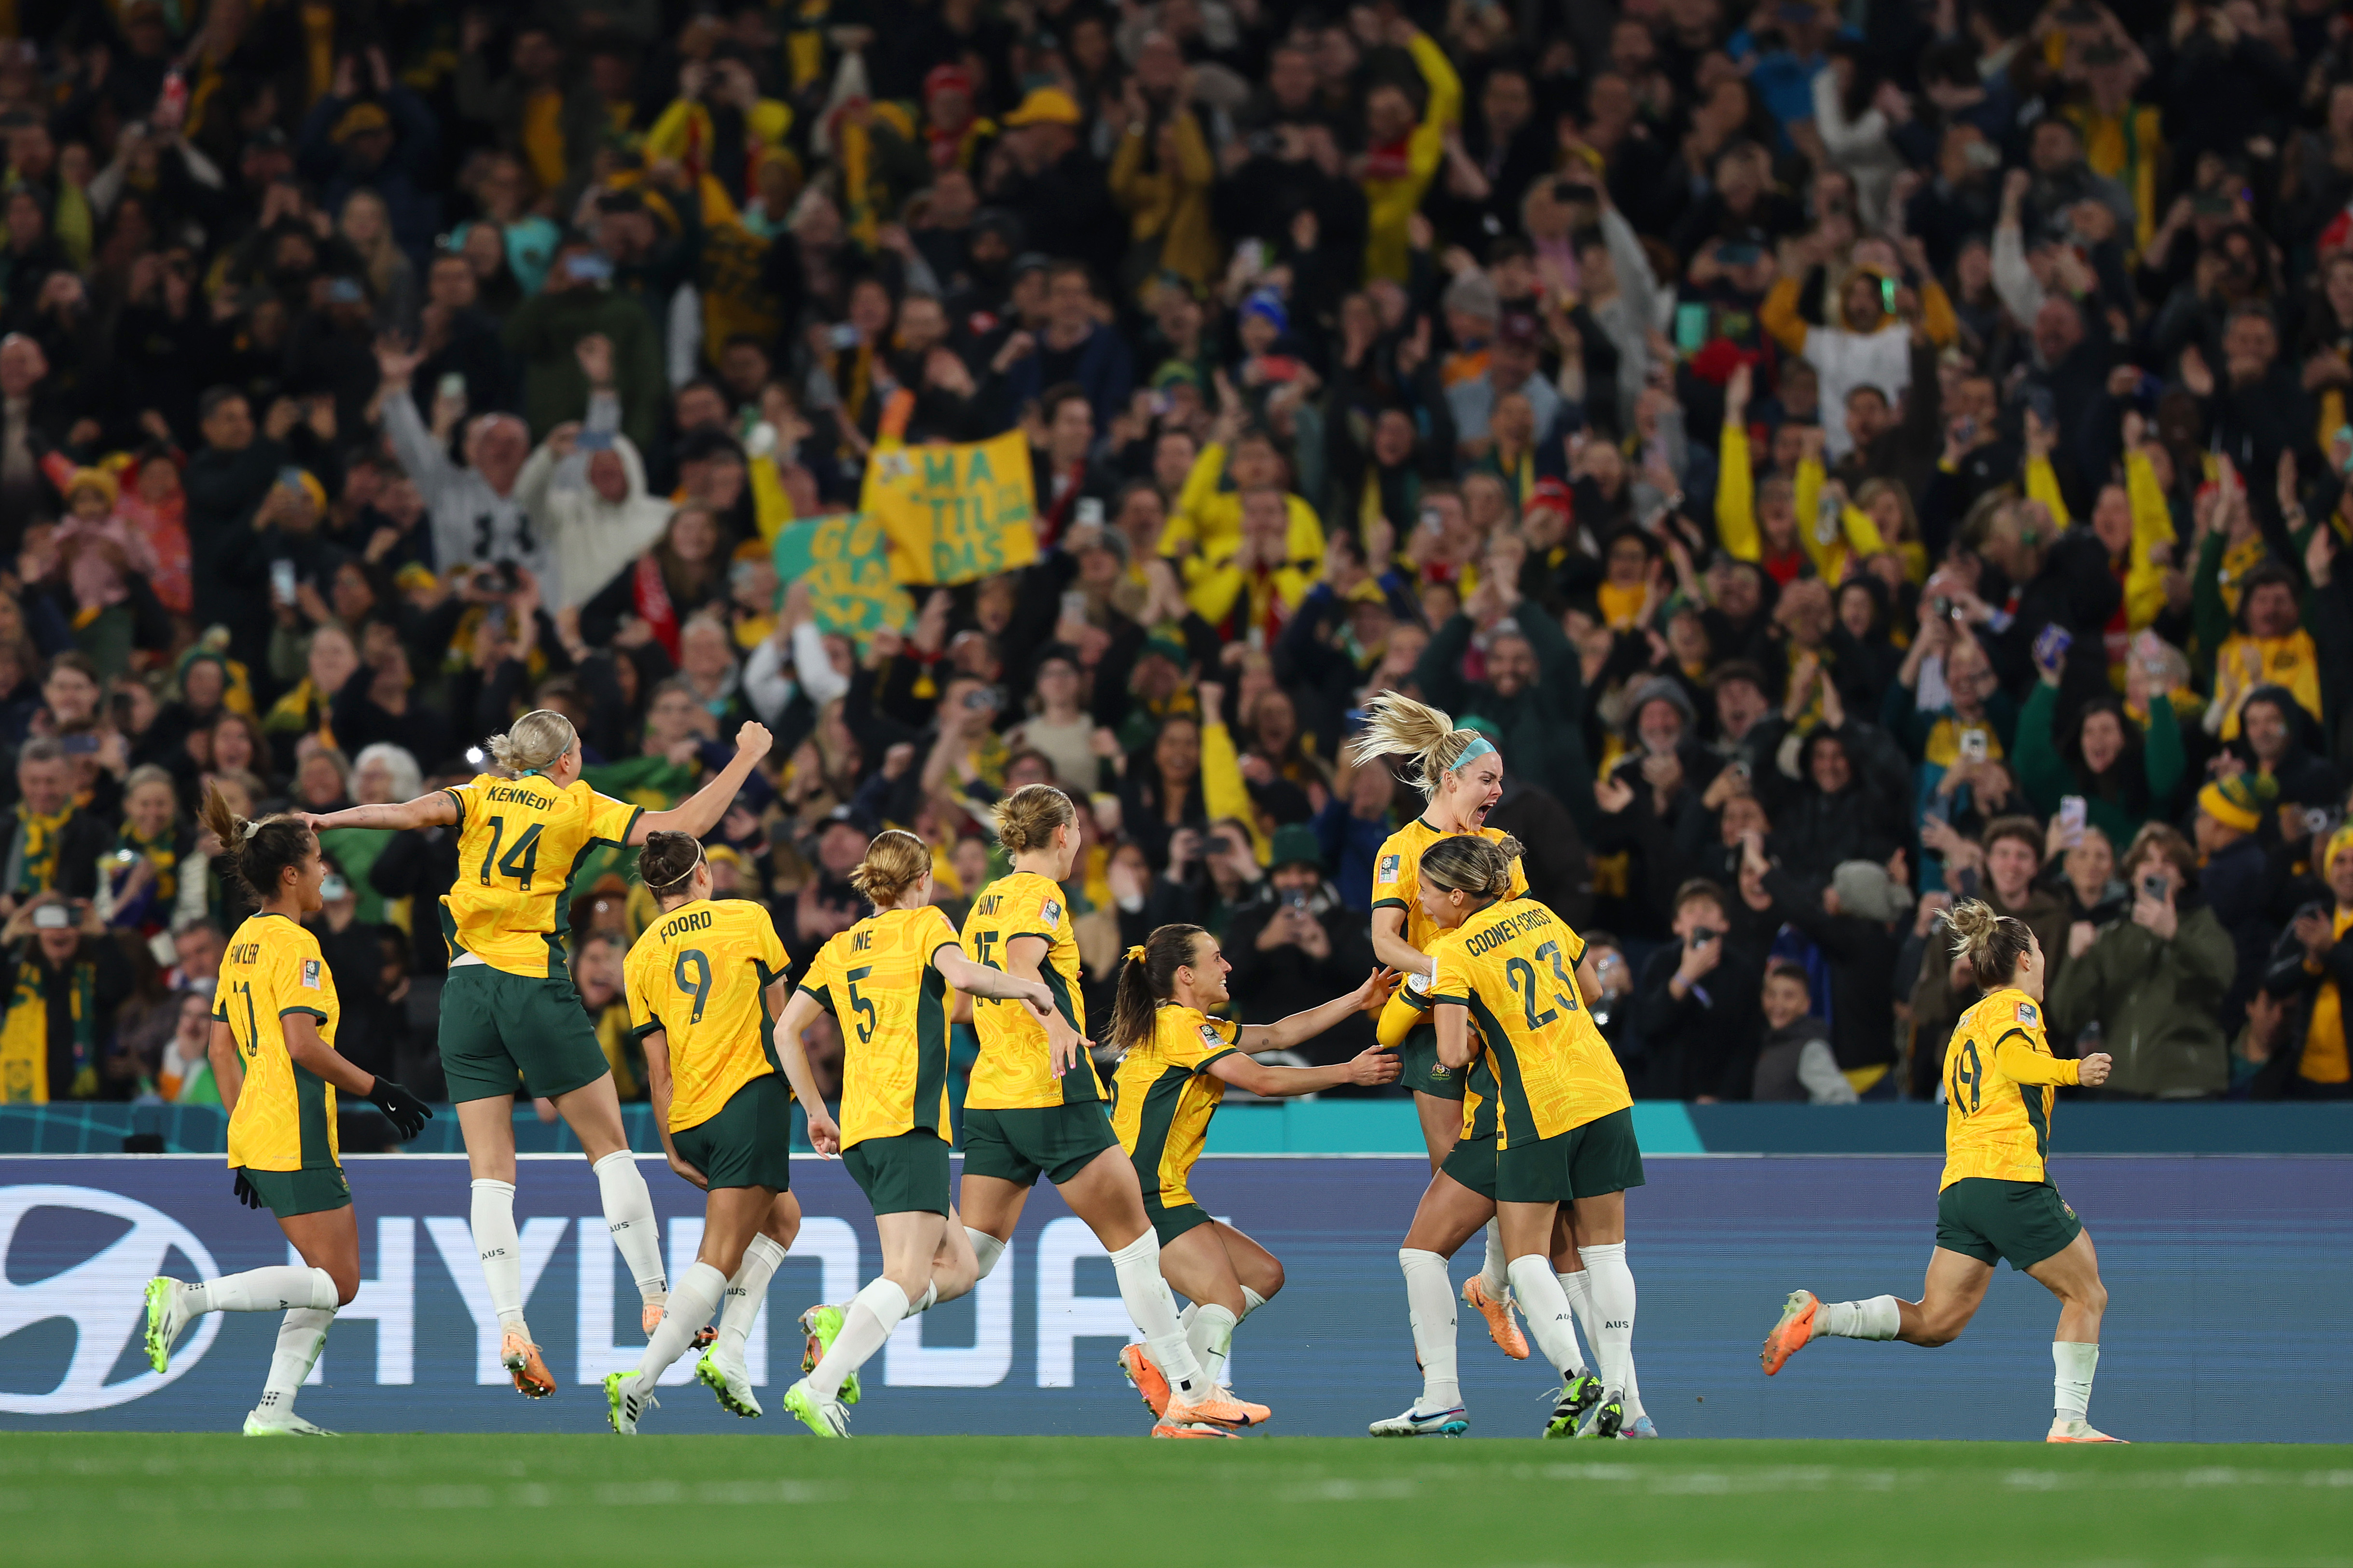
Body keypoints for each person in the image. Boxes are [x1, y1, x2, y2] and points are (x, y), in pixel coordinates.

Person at [299, 709, 774, 1397]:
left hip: (462, 993)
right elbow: (683, 825)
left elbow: (405, 813)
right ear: (566, 761)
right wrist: (747, 757)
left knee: (489, 1173)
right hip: (532, 985)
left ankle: (512, 1326)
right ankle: (656, 1297)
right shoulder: (576, 804)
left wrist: (328, 819)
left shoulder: (480, 793)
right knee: (609, 1148)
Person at [952, 784, 1267, 1436]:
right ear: (1064, 833)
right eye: (1079, 831)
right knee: (1136, 1243)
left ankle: (852, 1316)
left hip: (989, 1096)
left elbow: (971, 991)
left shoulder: (987, 898)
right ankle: (1189, 1390)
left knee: (968, 1257)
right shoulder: (1041, 893)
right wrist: (1053, 1024)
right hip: (1050, 1089)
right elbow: (1021, 965)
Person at [1760, 899, 2124, 1443]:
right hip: (2008, 1175)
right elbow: (2016, 1062)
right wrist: (2073, 1069)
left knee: (1936, 1322)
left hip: (1962, 1187)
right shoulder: (2014, 1009)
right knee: (2086, 1294)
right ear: (2024, 960)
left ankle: (1824, 1316)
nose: (2045, 962)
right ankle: (2069, 1423)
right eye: (2042, 952)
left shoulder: (1965, 1021)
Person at [771, 828, 1088, 1437]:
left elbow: (786, 1032)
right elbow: (964, 976)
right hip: (909, 1125)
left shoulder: (839, 947)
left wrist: (813, 1108)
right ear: (923, 880)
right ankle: (820, 1385)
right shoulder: (926, 926)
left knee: (963, 1267)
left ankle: (840, 1320)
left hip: (861, 1130)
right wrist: (1025, 984)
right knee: (911, 1274)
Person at [139, 786, 431, 1434]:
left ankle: (274, 1411)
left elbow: (220, 1049)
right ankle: (190, 1298)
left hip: (262, 1127)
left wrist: (243, 1130)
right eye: (321, 859)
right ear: (292, 874)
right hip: (296, 1128)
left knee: (322, 1276)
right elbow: (303, 1045)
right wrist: (380, 1088)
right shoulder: (297, 948)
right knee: (340, 1281)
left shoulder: (243, 940)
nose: (328, 871)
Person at [1374, 834, 1650, 1441]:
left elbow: (1449, 1052)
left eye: (1424, 891)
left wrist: (1474, 1028)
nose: (1419, 902)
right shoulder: (1541, 912)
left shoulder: (1451, 953)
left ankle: (1575, 1374)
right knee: (1606, 1255)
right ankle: (1622, 1398)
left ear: (1455, 894)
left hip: (1536, 1105)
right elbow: (1595, 993)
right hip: (1605, 1091)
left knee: (1528, 1255)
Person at [1106, 922, 1398, 1431]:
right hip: (1144, 1191)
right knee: (1224, 1297)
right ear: (1185, 975)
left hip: (1152, 1187)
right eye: (1216, 958)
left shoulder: (1184, 1024)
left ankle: (1158, 1358)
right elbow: (1261, 1080)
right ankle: (1186, 1415)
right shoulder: (1182, 1028)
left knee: (1262, 1275)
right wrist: (1347, 1073)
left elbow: (1280, 1035)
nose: (1227, 966)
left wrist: (1358, 999)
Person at [1348, 690, 1529, 1361]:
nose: (1498, 792)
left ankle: (1495, 1286)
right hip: (1433, 1020)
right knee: (1456, 1172)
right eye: (1488, 779)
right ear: (1451, 779)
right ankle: (1454, 1303)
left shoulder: (1496, 851)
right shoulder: (1402, 850)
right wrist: (1443, 969)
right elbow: (1383, 940)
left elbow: (1524, 923)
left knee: (1512, 1156)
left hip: (1498, 1019)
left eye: (1502, 781)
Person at [603, 831, 804, 1432]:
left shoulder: (638, 955)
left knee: (783, 1219)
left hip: (690, 1118)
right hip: (750, 1098)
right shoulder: (747, 918)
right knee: (718, 1256)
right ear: (705, 875)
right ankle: (639, 1379)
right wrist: (807, 1100)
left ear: (651, 890)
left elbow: (656, 1068)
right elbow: (782, 1019)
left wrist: (670, 1144)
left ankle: (733, 1350)